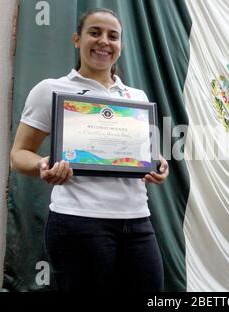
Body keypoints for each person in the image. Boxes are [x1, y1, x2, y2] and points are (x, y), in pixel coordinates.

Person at [10, 8, 169, 292]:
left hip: (137, 221)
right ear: (76, 39)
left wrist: (155, 164)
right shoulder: (50, 90)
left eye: (113, 36)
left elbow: (137, 155)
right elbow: (19, 155)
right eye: (94, 33)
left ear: (120, 46)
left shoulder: (136, 97)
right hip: (77, 223)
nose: (104, 41)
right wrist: (44, 165)